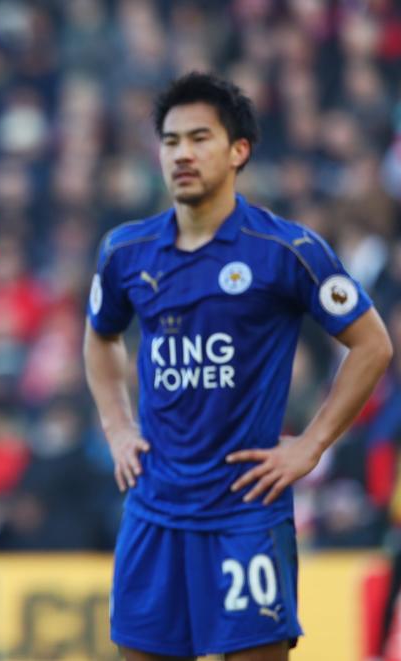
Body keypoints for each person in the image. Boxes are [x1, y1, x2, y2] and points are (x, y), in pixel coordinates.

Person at [83, 71, 393, 661]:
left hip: (246, 510)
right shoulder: (126, 251)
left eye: (199, 138)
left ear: (238, 151)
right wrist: (118, 427)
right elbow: (100, 340)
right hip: (155, 509)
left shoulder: (285, 251)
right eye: (171, 141)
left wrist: (311, 445)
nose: (182, 153)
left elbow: (373, 344)